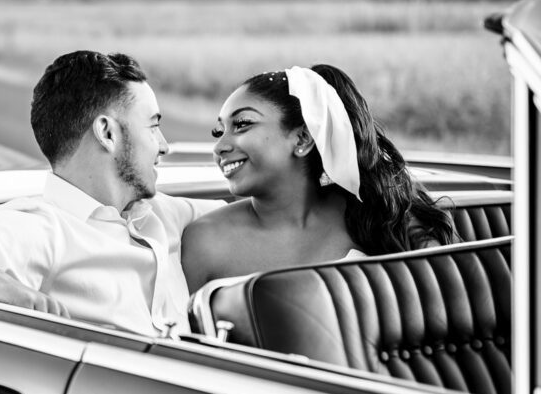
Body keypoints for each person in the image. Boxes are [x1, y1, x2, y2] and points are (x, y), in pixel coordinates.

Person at [0, 50, 223, 337]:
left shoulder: (167, 214)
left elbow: (263, 214)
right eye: (153, 125)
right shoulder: (42, 229)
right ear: (107, 132)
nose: (164, 146)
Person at [182, 63, 455, 291]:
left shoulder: (384, 217)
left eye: (242, 124)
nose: (219, 147)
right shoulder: (205, 242)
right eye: (219, 132)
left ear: (302, 138)